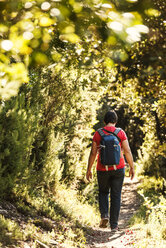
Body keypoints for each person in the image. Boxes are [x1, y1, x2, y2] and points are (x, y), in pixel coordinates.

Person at [86, 110, 135, 231]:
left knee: (103, 192)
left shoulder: (98, 133)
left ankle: (104, 215)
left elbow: (93, 153)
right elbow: (127, 151)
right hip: (119, 168)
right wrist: (132, 167)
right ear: (115, 121)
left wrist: (89, 169)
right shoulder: (120, 133)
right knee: (116, 195)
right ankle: (114, 225)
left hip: (102, 169)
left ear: (104, 121)